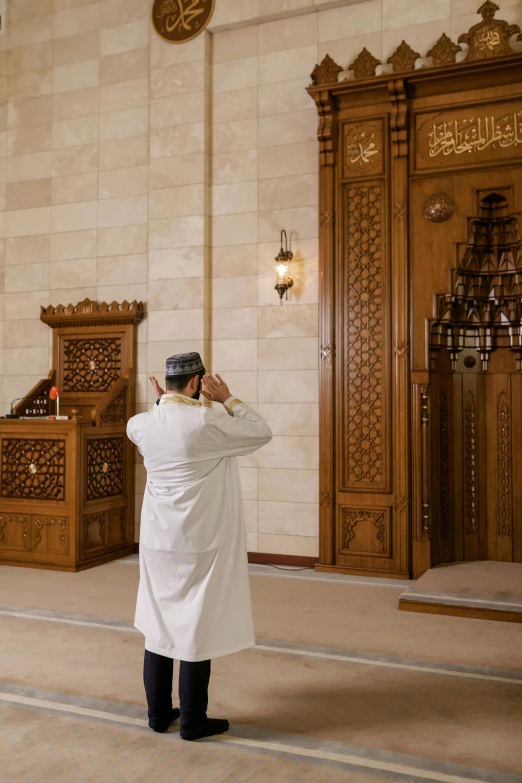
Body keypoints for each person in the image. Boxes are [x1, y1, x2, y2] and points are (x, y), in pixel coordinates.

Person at [126, 352, 272, 741]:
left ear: (167, 385)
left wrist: (162, 403)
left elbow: (147, 423)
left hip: (158, 545)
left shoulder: (142, 424)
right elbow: (260, 431)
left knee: (157, 627)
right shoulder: (209, 421)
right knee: (195, 628)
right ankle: (192, 721)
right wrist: (228, 398)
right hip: (201, 545)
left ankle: (158, 715)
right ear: (196, 383)